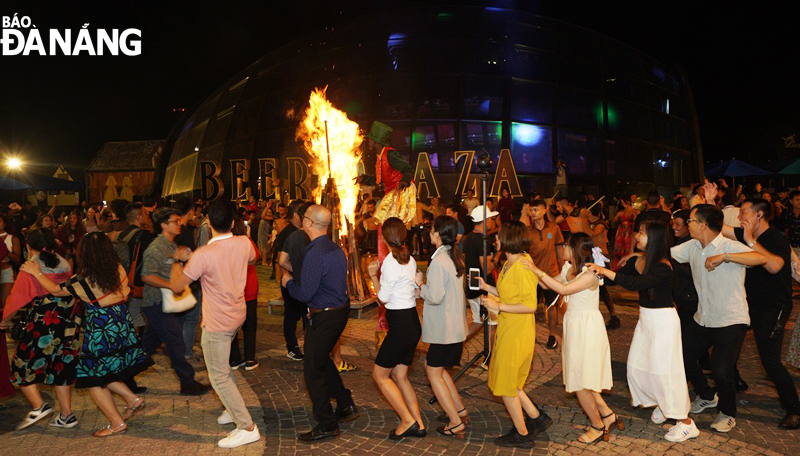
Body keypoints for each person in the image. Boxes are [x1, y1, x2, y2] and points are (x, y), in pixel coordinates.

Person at [22, 232, 153, 437]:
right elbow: (126, 291)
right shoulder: (117, 268)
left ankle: (117, 423)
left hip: (101, 329)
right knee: (105, 371)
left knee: (92, 377)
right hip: (121, 324)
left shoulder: (83, 280)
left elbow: (56, 291)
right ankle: (133, 399)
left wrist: (36, 271)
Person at [589, 221, 698, 442]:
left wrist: (606, 271)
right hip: (647, 320)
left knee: (666, 372)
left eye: (642, 233)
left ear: (655, 239)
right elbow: (619, 276)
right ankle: (662, 403)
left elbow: (633, 284)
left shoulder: (663, 266)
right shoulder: (643, 260)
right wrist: (599, 265)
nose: (636, 236)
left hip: (663, 322)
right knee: (638, 366)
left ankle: (685, 422)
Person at [170, 201, 261, 449]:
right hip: (237, 314)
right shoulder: (244, 243)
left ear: (208, 223)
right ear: (232, 222)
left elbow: (178, 286)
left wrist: (179, 260)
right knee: (223, 367)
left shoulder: (204, 254)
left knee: (218, 376)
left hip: (218, 322)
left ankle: (247, 426)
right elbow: (253, 259)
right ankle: (232, 411)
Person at [671, 202, 766, 433]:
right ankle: (706, 395)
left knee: (721, 369)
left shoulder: (729, 245)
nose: (688, 225)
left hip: (730, 319)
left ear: (703, 225)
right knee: (681, 358)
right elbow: (665, 255)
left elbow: (760, 258)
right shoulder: (692, 246)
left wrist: (725, 257)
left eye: (691, 221)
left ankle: (727, 413)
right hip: (703, 317)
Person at [709, 191, 800, 429]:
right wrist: (710, 203)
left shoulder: (777, 239)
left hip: (774, 308)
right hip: (748, 304)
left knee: (770, 362)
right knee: (726, 341)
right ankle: (731, 383)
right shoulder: (743, 234)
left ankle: (795, 409)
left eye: (744, 212)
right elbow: (716, 226)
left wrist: (749, 239)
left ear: (760, 214)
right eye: (739, 212)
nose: (739, 216)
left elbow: (774, 266)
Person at [527, 233, 620, 444]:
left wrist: (537, 270)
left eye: (565, 246)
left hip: (587, 328)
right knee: (582, 374)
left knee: (580, 380)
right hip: (574, 326)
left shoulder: (589, 275)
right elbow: (547, 286)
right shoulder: (569, 269)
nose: (562, 249)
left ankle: (597, 426)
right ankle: (608, 415)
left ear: (575, 248)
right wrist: (532, 274)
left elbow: (563, 289)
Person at [282, 205, 358, 442]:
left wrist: (288, 283)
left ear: (309, 224)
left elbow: (305, 293)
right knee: (322, 360)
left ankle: (326, 424)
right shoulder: (334, 247)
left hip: (324, 316)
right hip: (338, 312)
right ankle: (345, 404)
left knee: (312, 370)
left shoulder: (315, 252)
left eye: (304, 219)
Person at [478, 221, 552, 449]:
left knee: (506, 384)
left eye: (498, 236)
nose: (495, 240)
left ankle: (522, 434)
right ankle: (536, 417)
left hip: (518, 332)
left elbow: (529, 305)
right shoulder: (509, 263)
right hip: (508, 329)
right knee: (508, 379)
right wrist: (488, 288)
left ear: (509, 238)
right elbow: (508, 293)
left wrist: (497, 306)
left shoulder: (522, 265)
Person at [3, 229, 79, 429]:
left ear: (28, 247)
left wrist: (5, 321)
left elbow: (18, 298)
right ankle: (66, 415)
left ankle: (38, 406)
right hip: (66, 321)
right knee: (60, 365)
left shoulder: (31, 267)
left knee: (22, 364)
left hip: (43, 321)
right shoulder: (63, 262)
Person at [140, 208, 209, 396]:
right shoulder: (156, 248)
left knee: (147, 346)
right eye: (175, 221)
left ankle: (124, 378)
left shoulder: (171, 245)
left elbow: (174, 269)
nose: (180, 224)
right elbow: (146, 276)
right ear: (164, 225)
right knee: (175, 341)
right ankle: (188, 383)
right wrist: (171, 285)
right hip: (156, 302)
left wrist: (181, 261)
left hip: (164, 303)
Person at [415, 216, 469, 438]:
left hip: (444, 330)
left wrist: (420, 284)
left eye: (431, 230)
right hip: (454, 328)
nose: (429, 233)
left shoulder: (439, 261)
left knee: (433, 373)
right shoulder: (453, 256)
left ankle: (455, 422)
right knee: (437, 368)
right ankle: (460, 410)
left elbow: (435, 296)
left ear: (437, 234)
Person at [372, 217, 426, 440]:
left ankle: (407, 420)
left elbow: (382, 299)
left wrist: (372, 276)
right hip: (412, 322)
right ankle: (419, 424)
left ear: (385, 238)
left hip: (401, 325)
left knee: (379, 375)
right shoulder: (409, 259)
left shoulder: (390, 264)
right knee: (400, 375)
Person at [525, 199, 566, 349]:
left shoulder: (554, 228)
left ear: (545, 210)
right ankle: (529, 334)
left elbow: (559, 250)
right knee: (531, 306)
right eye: (531, 210)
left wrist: (562, 271)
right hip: (533, 275)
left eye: (536, 210)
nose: (533, 213)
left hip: (551, 273)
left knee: (551, 305)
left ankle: (552, 336)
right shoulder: (527, 231)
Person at [275, 200, 308, 361]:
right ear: (296, 215)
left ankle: (309, 346)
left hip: (304, 281)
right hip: (292, 282)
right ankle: (292, 347)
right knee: (292, 315)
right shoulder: (287, 233)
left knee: (306, 314)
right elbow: (280, 259)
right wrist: (287, 279)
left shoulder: (306, 232)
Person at [463, 205, 498, 357]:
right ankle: (489, 357)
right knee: (492, 324)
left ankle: (457, 344)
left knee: (477, 321)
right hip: (485, 288)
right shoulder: (482, 240)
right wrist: (498, 253)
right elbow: (488, 268)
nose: (493, 221)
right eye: (491, 218)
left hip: (473, 286)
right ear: (484, 221)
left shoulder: (468, 237)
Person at [228, 218, 261, 371]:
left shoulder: (226, 243)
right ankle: (249, 359)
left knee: (232, 325)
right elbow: (255, 258)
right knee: (249, 326)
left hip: (232, 289)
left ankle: (234, 359)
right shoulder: (246, 242)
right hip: (248, 289)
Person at [0, 216, 21, 308]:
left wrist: (4, 251)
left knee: (6, 302)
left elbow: (17, 259)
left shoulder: (13, 238)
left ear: (4, 223)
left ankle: (5, 320)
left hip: (6, 270)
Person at [612, 195, 636, 268]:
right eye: (621, 203)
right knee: (619, 247)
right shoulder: (621, 212)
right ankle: (618, 265)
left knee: (628, 248)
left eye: (624, 202)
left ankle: (627, 265)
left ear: (628, 202)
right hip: (621, 230)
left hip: (629, 231)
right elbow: (614, 221)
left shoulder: (634, 210)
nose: (623, 204)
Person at [780, 190, 800, 256]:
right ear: (791, 201)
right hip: (790, 246)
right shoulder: (786, 213)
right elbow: (784, 229)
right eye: (797, 200)